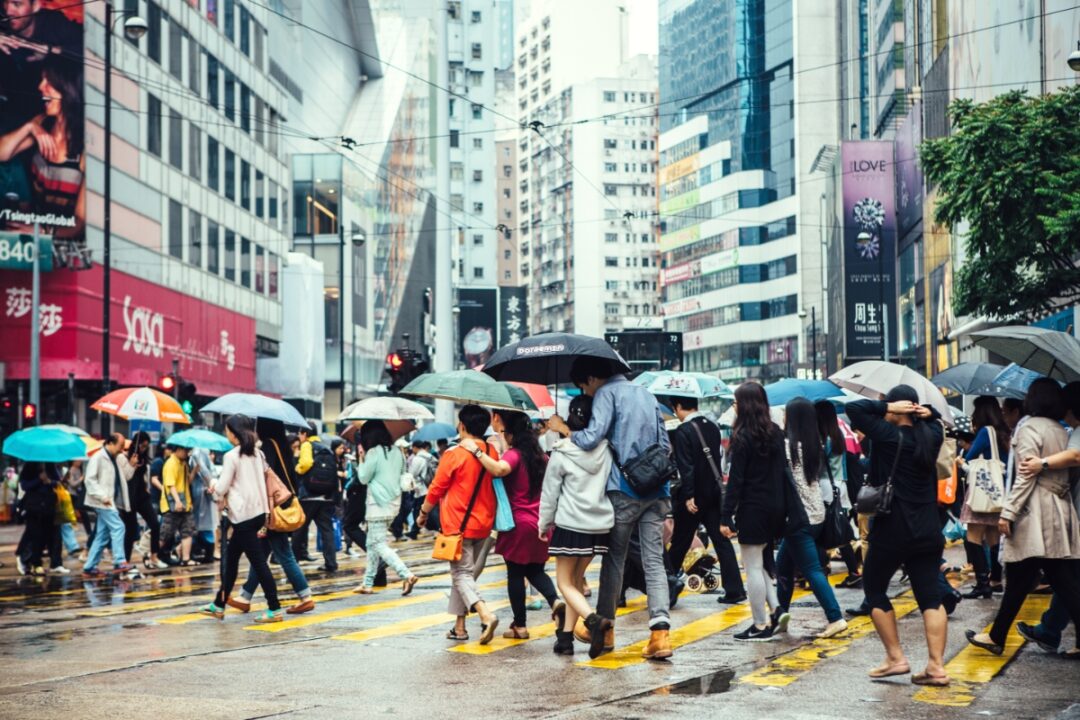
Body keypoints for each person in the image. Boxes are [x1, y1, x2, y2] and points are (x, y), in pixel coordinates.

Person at [547, 356, 673, 660]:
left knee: (614, 560)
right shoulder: (645, 392)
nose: (586, 394)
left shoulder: (606, 394)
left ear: (591, 379)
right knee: (654, 559)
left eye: (583, 387)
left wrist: (564, 428)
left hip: (625, 490)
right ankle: (660, 634)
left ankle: (603, 631)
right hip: (657, 488)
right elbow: (665, 443)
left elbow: (591, 439)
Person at [966, 378, 1080, 657]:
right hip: (1058, 509)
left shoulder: (1029, 427)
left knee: (1032, 577)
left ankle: (996, 636)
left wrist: (1009, 512)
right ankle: (996, 635)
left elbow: (1025, 476)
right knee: (1046, 580)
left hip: (1034, 512)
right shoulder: (1061, 430)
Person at [847, 387, 949, 686]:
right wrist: (928, 412)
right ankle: (936, 667)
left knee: (875, 589)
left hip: (893, 528)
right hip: (929, 528)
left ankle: (895, 658)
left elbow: (854, 409)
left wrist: (886, 407)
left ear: (897, 407)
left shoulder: (886, 435)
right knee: (930, 596)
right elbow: (937, 420)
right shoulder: (932, 433)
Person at [465, 409, 563, 639]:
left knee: (515, 574)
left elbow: (499, 469)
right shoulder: (542, 457)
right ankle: (555, 601)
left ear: (512, 434)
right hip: (541, 522)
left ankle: (519, 626)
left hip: (518, 523)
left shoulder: (514, 455)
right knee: (536, 570)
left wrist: (477, 450)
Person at [417, 405, 500, 645]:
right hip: (484, 522)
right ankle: (459, 627)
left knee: (461, 574)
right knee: (463, 575)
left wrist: (423, 514)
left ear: (462, 426)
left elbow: (436, 488)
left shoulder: (453, 454)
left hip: (458, 524)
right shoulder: (490, 451)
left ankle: (485, 614)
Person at [540, 395, 614, 655]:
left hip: (571, 524)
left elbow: (550, 493)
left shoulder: (561, 452)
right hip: (600, 525)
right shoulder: (606, 448)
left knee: (564, 584)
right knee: (575, 581)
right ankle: (566, 639)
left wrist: (543, 524)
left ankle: (594, 622)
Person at [771, 398, 847, 639]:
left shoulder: (788, 447)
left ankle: (835, 617)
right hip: (816, 514)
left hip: (798, 518)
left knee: (812, 570)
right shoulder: (815, 444)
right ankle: (779, 616)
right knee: (783, 566)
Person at [721, 383, 788, 641]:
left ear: (744, 405)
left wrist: (726, 515)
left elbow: (736, 480)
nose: (734, 406)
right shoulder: (776, 433)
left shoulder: (742, 437)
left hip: (753, 507)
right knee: (760, 562)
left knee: (752, 566)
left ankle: (760, 624)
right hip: (776, 507)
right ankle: (777, 609)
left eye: (736, 402)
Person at [198, 415, 282, 623]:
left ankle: (275, 609)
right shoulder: (258, 454)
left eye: (227, 430)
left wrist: (215, 486)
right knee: (232, 559)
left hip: (243, 515)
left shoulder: (232, 456)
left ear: (234, 433)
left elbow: (223, 487)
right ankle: (219, 603)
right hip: (258, 512)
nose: (226, 434)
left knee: (259, 564)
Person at [666, 395, 746, 605]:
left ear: (680, 405)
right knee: (721, 541)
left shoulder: (684, 430)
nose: (675, 413)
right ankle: (735, 590)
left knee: (680, 542)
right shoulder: (712, 426)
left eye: (675, 408)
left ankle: (668, 588)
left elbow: (686, 466)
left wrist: (689, 495)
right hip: (713, 494)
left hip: (693, 498)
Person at [231, 419, 314, 615]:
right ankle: (245, 596)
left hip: (272, 509)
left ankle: (305, 596)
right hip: (280, 505)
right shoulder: (283, 446)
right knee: (259, 554)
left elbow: (264, 479)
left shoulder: (268, 446)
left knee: (284, 554)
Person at [352, 421, 418, 595]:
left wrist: (361, 458)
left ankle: (406, 574)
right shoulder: (398, 452)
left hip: (377, 505)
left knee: (379, 544)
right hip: (394, 504)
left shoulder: (373, 452)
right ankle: (367, 583)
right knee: (371, 544)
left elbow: (363, 478)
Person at [959, 396, 1011, 598]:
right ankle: (996, 580)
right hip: (999, 492)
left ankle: (982, 583)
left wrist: (960, 461)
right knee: (993, 536)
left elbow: (970, 458)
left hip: (982, 491)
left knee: (973, 535)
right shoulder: (1004, 432)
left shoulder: (985, 431)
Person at [816, 401, 861, 586]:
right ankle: (853, 570)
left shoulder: (823, 439)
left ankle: (822, 570)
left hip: (826, 485)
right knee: (839, 528)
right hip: (839, 484)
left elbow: (818, 467)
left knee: (820, 529)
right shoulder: (838, 436)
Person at [82, 433, 137, 579]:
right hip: (103, 501)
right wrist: (102, 496)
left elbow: (125, 477)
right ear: (111, 443)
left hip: (109, 500)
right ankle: (119, 561)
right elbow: (90, 480)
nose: (121, 450)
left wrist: (131, 465)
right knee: (119, 527)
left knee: (102, 535)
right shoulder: (98, 457)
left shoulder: (115, 458)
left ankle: (89, 566)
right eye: (120, 447)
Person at [291, 424, 339, 573]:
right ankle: (331, 563)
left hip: (309, 495)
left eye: (300, 434)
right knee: (326, 529)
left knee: (299, 528)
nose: (299, 437)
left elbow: (306, 464)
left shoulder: (307, 445)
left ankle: (293, 561)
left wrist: (297, 469)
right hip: (325, 496)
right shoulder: (326, 447)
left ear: (305, 433)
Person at [121, 432, 164, 570]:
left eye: (146, 446)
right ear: (136, 443)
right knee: (130, 531)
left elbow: (145, 475)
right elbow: (125, 477)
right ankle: (126, 561)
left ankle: (154, 557)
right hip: (129, 497)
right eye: (142, 445)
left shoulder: (144, 458)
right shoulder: (124, 457)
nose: (144, 448)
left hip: (142, 497)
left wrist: (146, 486)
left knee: (155, 524)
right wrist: (132, 464)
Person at [17, 462, 57, 575]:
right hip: (33, 507)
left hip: (48, 506)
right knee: (35, 536)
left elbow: (57, 482)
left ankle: (30, 559)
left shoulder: (50, 465)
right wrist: (39, 479)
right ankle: (35, 563)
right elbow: (25, 486)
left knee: (44, 536)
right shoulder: (29, 467)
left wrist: (49, 482)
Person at [159, 445, 196, 566]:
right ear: (178, 450)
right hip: (173, 505)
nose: (187, 453)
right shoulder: (171, 463)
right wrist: (177, 501)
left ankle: (186, 558)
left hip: (185, 504)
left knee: (188, 530)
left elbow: (187, 482)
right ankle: (151, 554)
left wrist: (195, 470)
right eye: (186, 450)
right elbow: (170, 484)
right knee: (166, 533)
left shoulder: (183, 464)